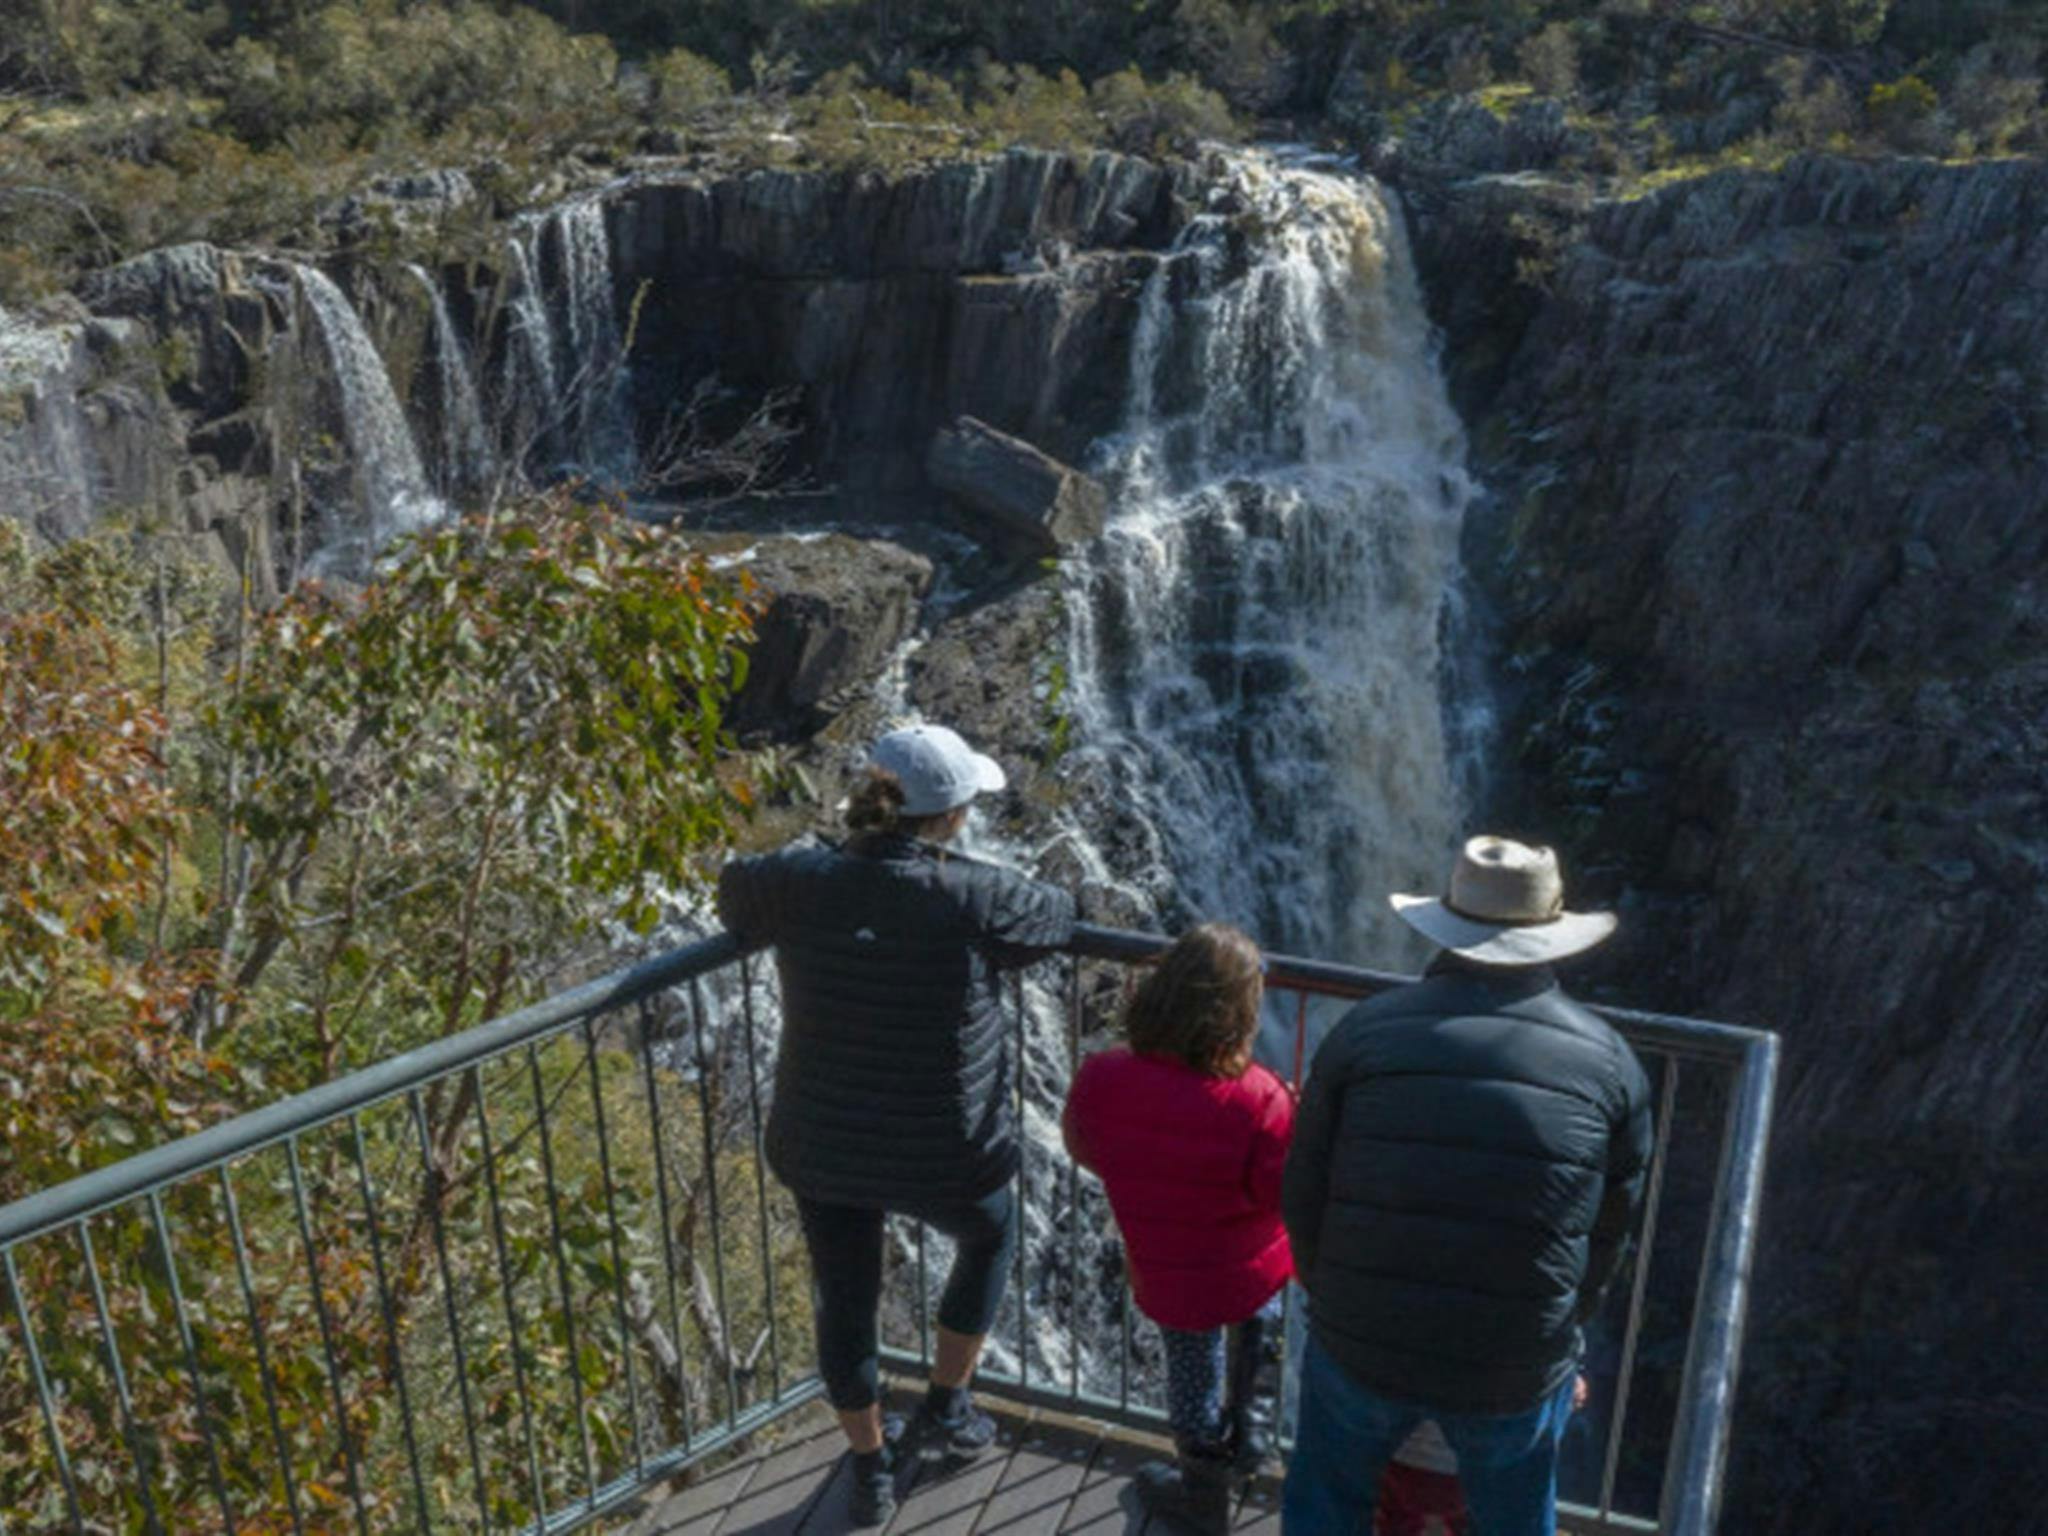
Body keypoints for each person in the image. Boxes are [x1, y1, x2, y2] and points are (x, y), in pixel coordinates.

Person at [716, 723, 1076, 1527]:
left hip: (824, 1144)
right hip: (944, 1146)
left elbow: (734, 891)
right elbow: (1055, 915)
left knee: (844, 1298)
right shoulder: (973, 891)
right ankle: (948, 1402)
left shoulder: (798, 879)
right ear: (949, 819)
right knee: (988, 1235)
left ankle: (870, 1466)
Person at [1281, 836, 1653, 1536]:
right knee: (1515, 1516)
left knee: (1324, 1506)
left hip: (1361, 1331)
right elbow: (1609, 1231)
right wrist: (1563, 1330)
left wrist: (1330, 1293)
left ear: (1447, 925)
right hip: (1510, 1357)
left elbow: (1303, 1188)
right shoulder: (1612, 1065)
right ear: (1549, 936)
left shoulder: (1361, 1033)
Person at [1061, 923, 1293, 1535]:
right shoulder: (1259, 1099)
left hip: (1166, 1264)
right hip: (1251, 1270)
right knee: (1259, 1335)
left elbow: (1084, 1148)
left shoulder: (1102, 1076)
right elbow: (1280, 1194)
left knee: (1190, 1372)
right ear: (1239, 1010)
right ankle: (1256, 1434)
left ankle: (1202, 1496)